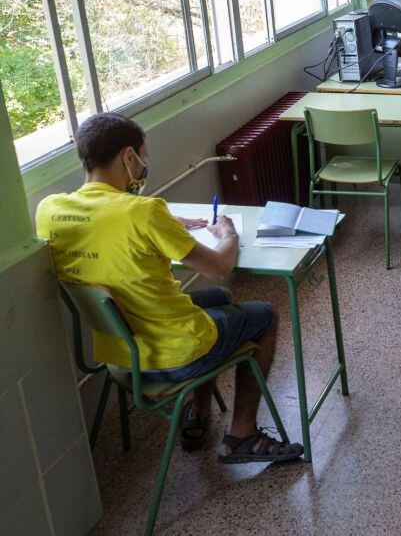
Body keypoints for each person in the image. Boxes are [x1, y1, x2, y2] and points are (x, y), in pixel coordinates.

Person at [36, 113, 302, 463]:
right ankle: (242, 435)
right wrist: (228, 235)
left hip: (121, 352)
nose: (145, 165)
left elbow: (103, 220)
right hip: (172, 356)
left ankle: (197, 415)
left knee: (220, 301)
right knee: (265, 315)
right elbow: (220, 268)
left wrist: (168, 224)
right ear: (128, 157)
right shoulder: (144, 212)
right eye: (144, 158)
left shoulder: (50, 210)